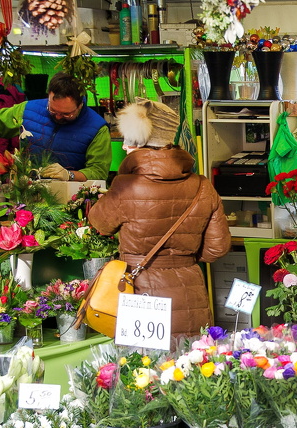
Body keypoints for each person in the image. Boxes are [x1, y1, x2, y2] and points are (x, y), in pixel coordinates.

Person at [87, 98, 230, 342]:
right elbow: (218, 247)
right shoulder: (202, 186)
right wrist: (182, 259)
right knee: (191, 361)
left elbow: (99, 223)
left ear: (142, 142)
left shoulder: (126, 186)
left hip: (139, 290)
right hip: (190, 291)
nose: (124, 147)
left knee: (142, 362)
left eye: (130, 141)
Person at [0, 73, 111, 182]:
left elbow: (99, 171)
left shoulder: (97, 128)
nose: (58, 117)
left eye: (66, 114)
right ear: (49, 96)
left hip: (71, 198)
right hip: (25, 192)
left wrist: (70, 175)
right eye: (53, 111)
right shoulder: (28, 110)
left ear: (80, 105)